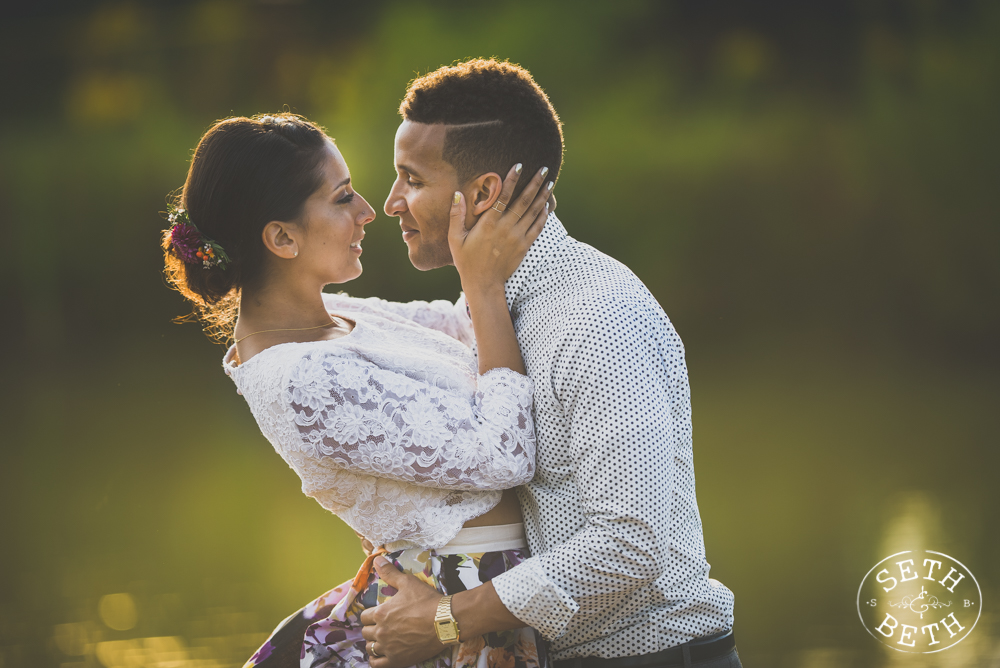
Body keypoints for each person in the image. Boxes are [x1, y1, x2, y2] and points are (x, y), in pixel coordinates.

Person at [360, 59, 741, 668]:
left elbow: (629, 543)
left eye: (411, 179)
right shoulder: (487, 301)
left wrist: (443, 622)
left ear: (483, 192)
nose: (391, 202)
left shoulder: (595, 320)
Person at [160, 112, 557, 668]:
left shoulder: (336, 316)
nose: (370, 212)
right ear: (280, 237)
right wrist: (484, 285)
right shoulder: (299, 380)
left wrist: (481, 229)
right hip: (460, 608)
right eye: (343, 198)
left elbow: (464, 328)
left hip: (493, 589)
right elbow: (505, 455)